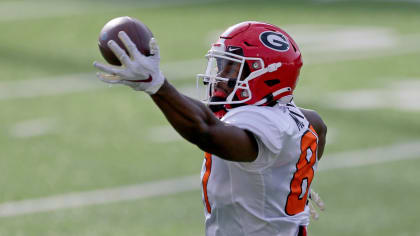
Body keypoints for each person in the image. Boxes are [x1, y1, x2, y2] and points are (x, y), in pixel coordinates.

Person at [93, 21, 327, 236]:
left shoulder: (263, 124)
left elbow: (205, 130)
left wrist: (157, 86)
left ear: (266, 74)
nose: (218, 78)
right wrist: (292, 184)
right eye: (220, 66)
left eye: (231, 68)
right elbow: (319, 127)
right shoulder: (298, 118)